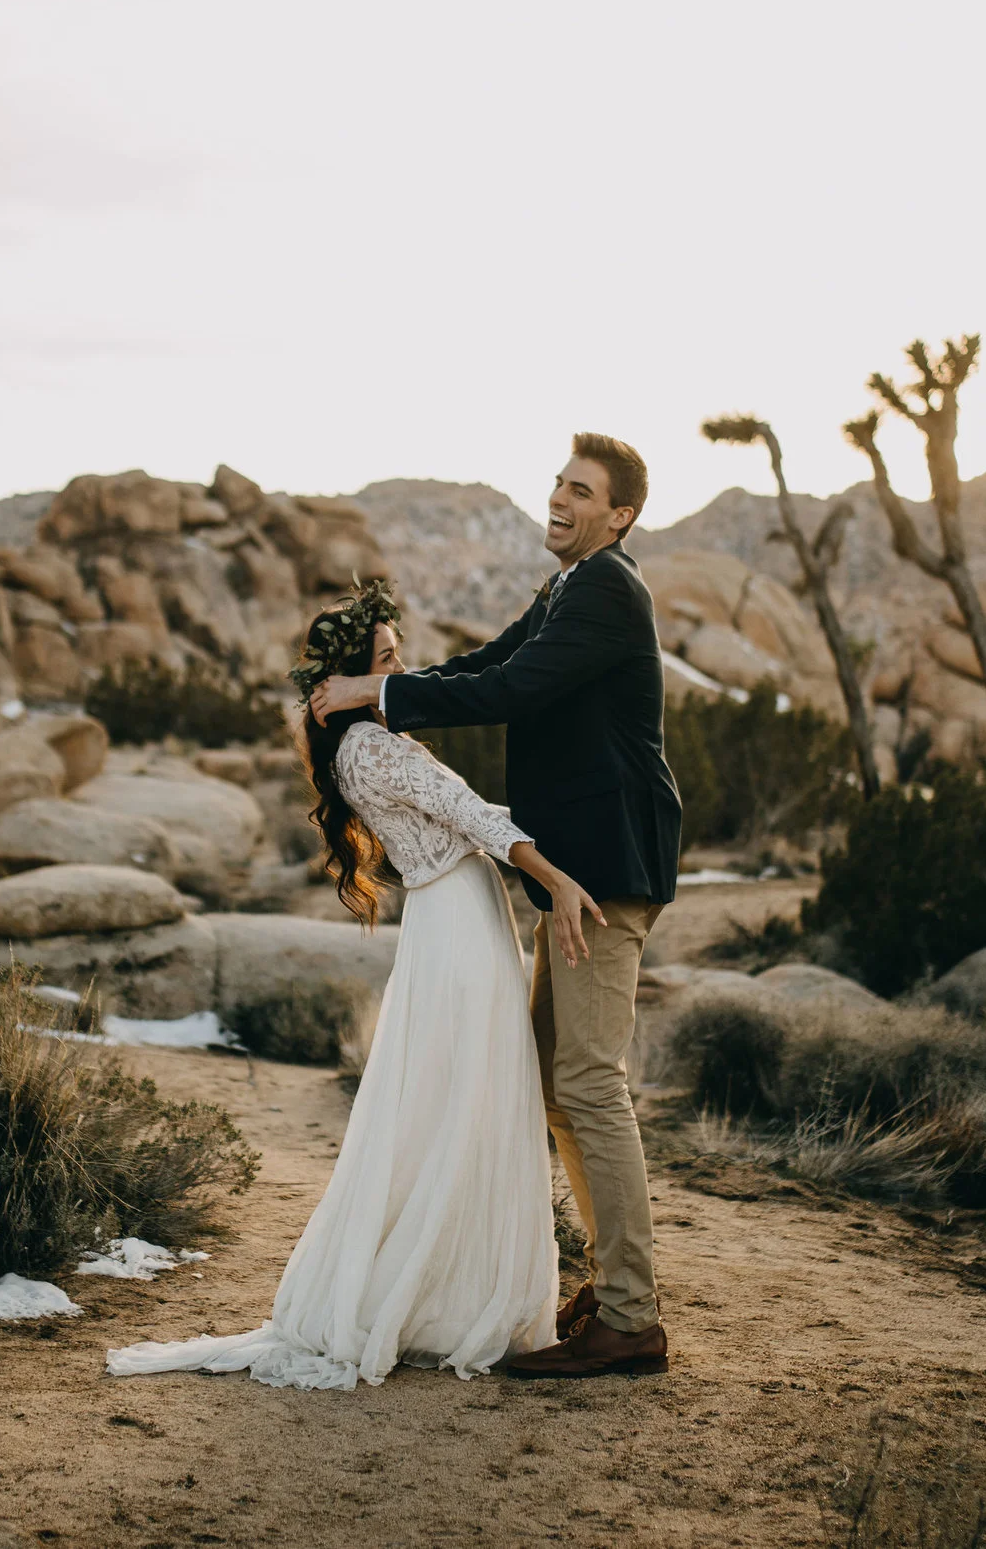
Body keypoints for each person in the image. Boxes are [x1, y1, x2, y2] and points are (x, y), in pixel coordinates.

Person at [104, 578, 609, 1389]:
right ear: (342, 679)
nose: (397, 670)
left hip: (451, 919)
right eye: (384, 659)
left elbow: (465, 805)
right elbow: (475, 816)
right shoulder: (373, 747)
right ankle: (455, 1298)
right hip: (458, 927)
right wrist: (557, 876)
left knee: (460, 1100)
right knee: (473, 1097)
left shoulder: (355, 747)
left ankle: (455, 1286)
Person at [305, 433, 681, 1380]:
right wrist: (387, 698)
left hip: (603, 872)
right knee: (559, 1084)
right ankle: (615, 1290)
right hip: (573, 874)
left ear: (620, 515)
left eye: (581, 490)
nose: (559, 498)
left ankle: (631, 1317)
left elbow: (512, 689)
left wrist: (375, 689)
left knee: (587, 1081)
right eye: (559, 482)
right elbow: (488, 661)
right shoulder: (566, 589)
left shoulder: (607, 589)